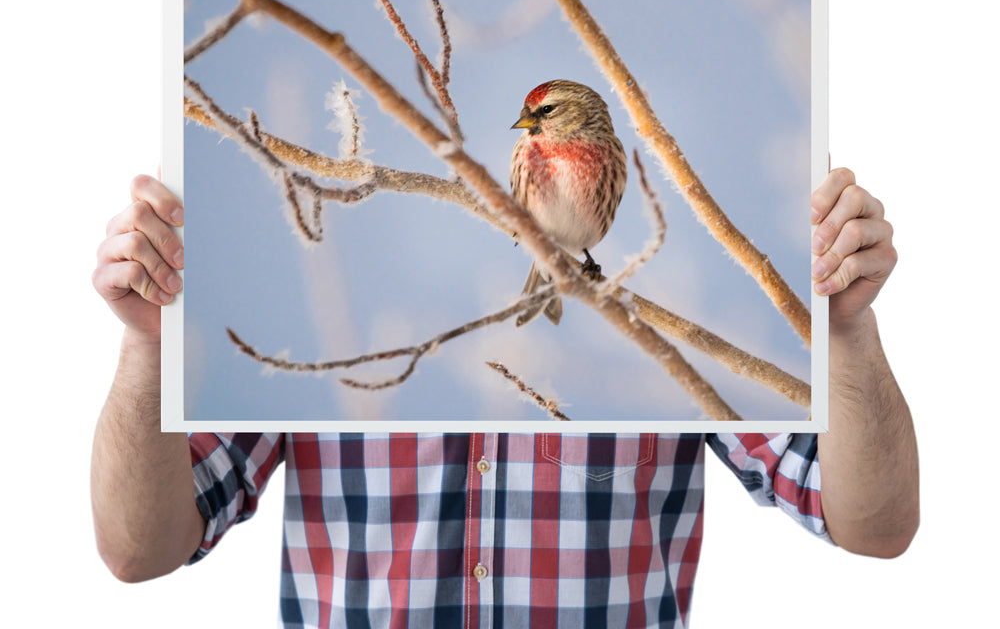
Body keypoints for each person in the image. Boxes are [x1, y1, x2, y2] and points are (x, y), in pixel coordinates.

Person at [91, 167, 918, 628]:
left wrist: (844, 330)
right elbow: (140, 547)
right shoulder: (318, 309)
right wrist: (148, 342)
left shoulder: (667, 312)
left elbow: (873, 523)